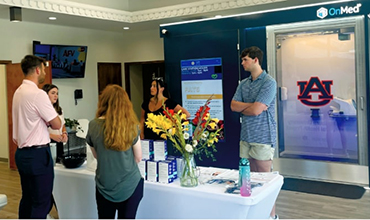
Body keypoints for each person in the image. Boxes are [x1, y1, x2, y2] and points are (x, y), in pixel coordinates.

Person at [230, 46, 277, 219]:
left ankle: (271, 216)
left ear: (255, 60)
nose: (242, 63)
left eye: (245, 60)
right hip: (246, 137)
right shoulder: (243, 83)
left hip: (263, 137)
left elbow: (257, 110)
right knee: (246, 180)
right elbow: (233, 105)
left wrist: (250, 107)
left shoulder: (269, 82)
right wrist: (252, 107)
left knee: (265, 181)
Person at [12, 55, 61, 219]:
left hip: (22, 154)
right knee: (42, 202)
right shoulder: (38, 94)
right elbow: (56, 124)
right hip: (38, 155)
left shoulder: (18, 92)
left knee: (27, 199)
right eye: (44, 69)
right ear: (38, 69)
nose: (45, 72)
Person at [86, 85, 143, 219]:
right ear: (125, 104)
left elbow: (96, 155)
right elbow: (138, 157)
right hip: (130, 184)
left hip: (104, 185)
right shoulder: (131, 126)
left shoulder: (93, 125)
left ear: (103, 101)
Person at [42, 84, 68, 163]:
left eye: (57, 93)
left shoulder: (59, 110)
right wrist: (52, 136)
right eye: (53, 93)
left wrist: (64, 133)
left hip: (59, 141)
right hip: (48, 143)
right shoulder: (42, 111)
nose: (56, 96)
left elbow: (62, 124)